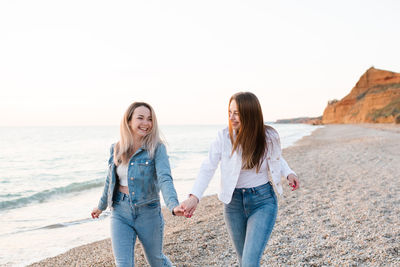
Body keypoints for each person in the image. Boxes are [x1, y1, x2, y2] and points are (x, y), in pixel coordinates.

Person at [181, 92, 299, 267]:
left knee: (249, 262)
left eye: (236, 113)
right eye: (229, 112)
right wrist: (194, 196)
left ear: (250, 113)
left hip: (263, 201)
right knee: (243, 260)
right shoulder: (224, 137)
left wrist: (289, 173)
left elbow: (276, 158)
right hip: (233, 204)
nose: (231, 117)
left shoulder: (268, 136)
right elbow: (208, 167)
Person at [91, 102, 184, 267]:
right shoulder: (116, 148)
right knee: (123, 264)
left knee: (156, 260)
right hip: (120, 211)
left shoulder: (157, 148)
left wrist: (173, 205)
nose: (146, 123)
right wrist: (101, 206)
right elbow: (110, 180)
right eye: (140, 118)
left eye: (149, 119)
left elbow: (165, 178)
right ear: (128, 121)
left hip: (148, 212)